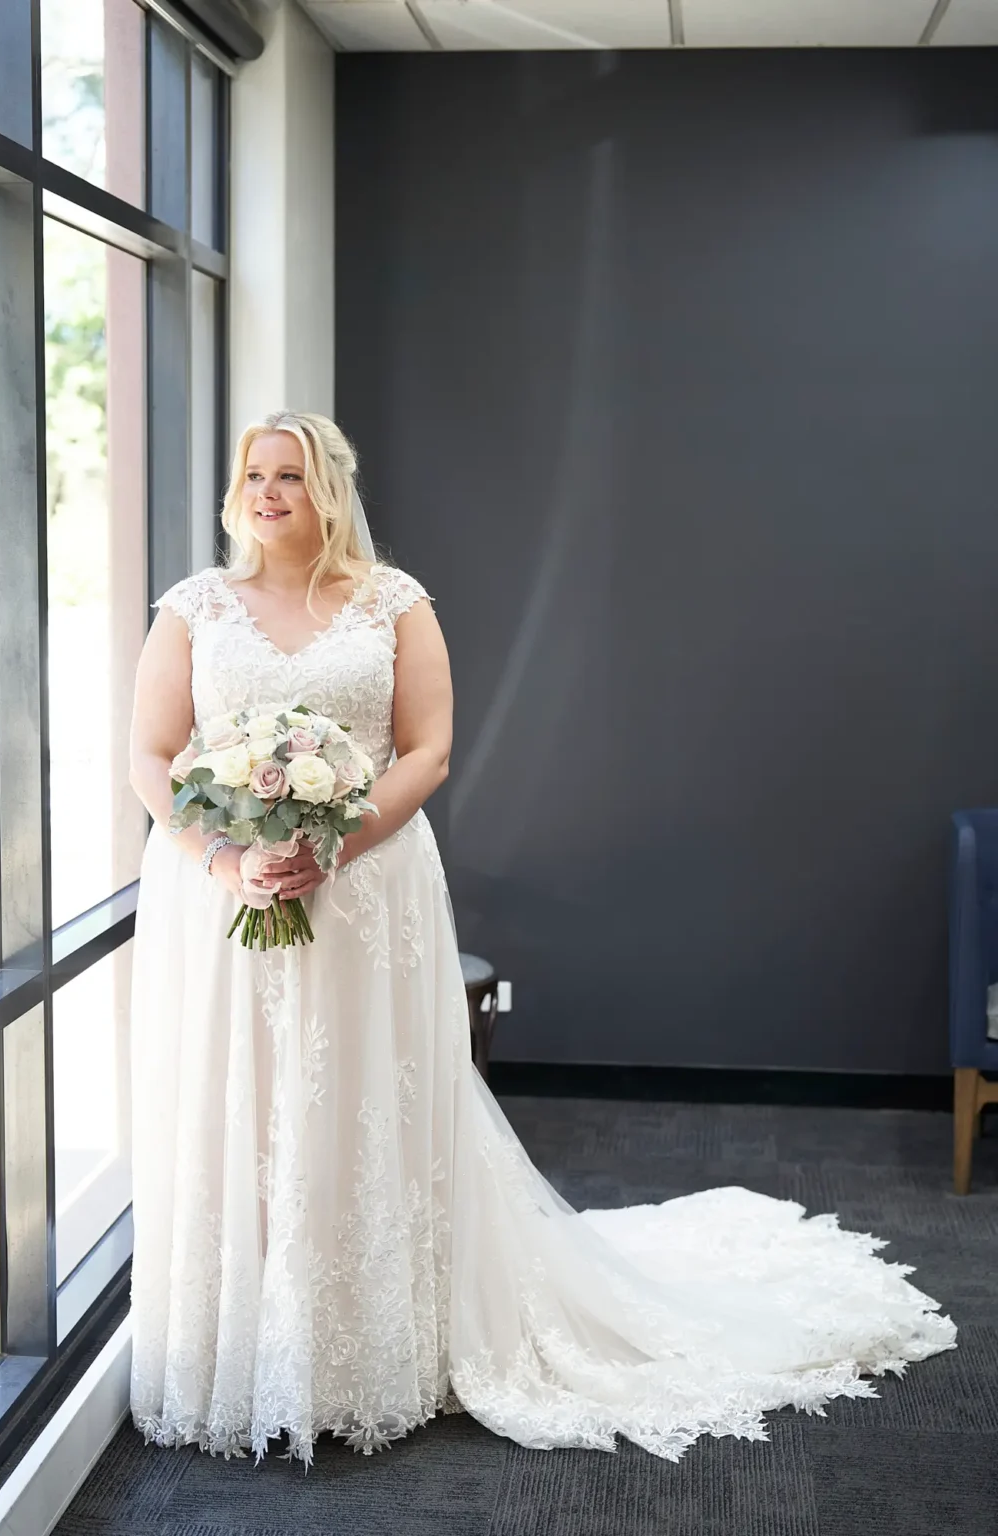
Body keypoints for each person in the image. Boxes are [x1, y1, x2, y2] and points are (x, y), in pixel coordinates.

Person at [127, 409, 956, 1468]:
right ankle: (248, 1341)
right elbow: (152, 757)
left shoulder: (392, 603)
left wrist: (335, 845)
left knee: (364, 1102)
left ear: (330, 488)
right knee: (245, 1104)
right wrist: (225, 858)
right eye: (255, 475)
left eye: (289, 475)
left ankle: (369, 1352)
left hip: (366, 889)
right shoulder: (196, 609)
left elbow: (425, 752)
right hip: (223, 898)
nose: (268, 492)